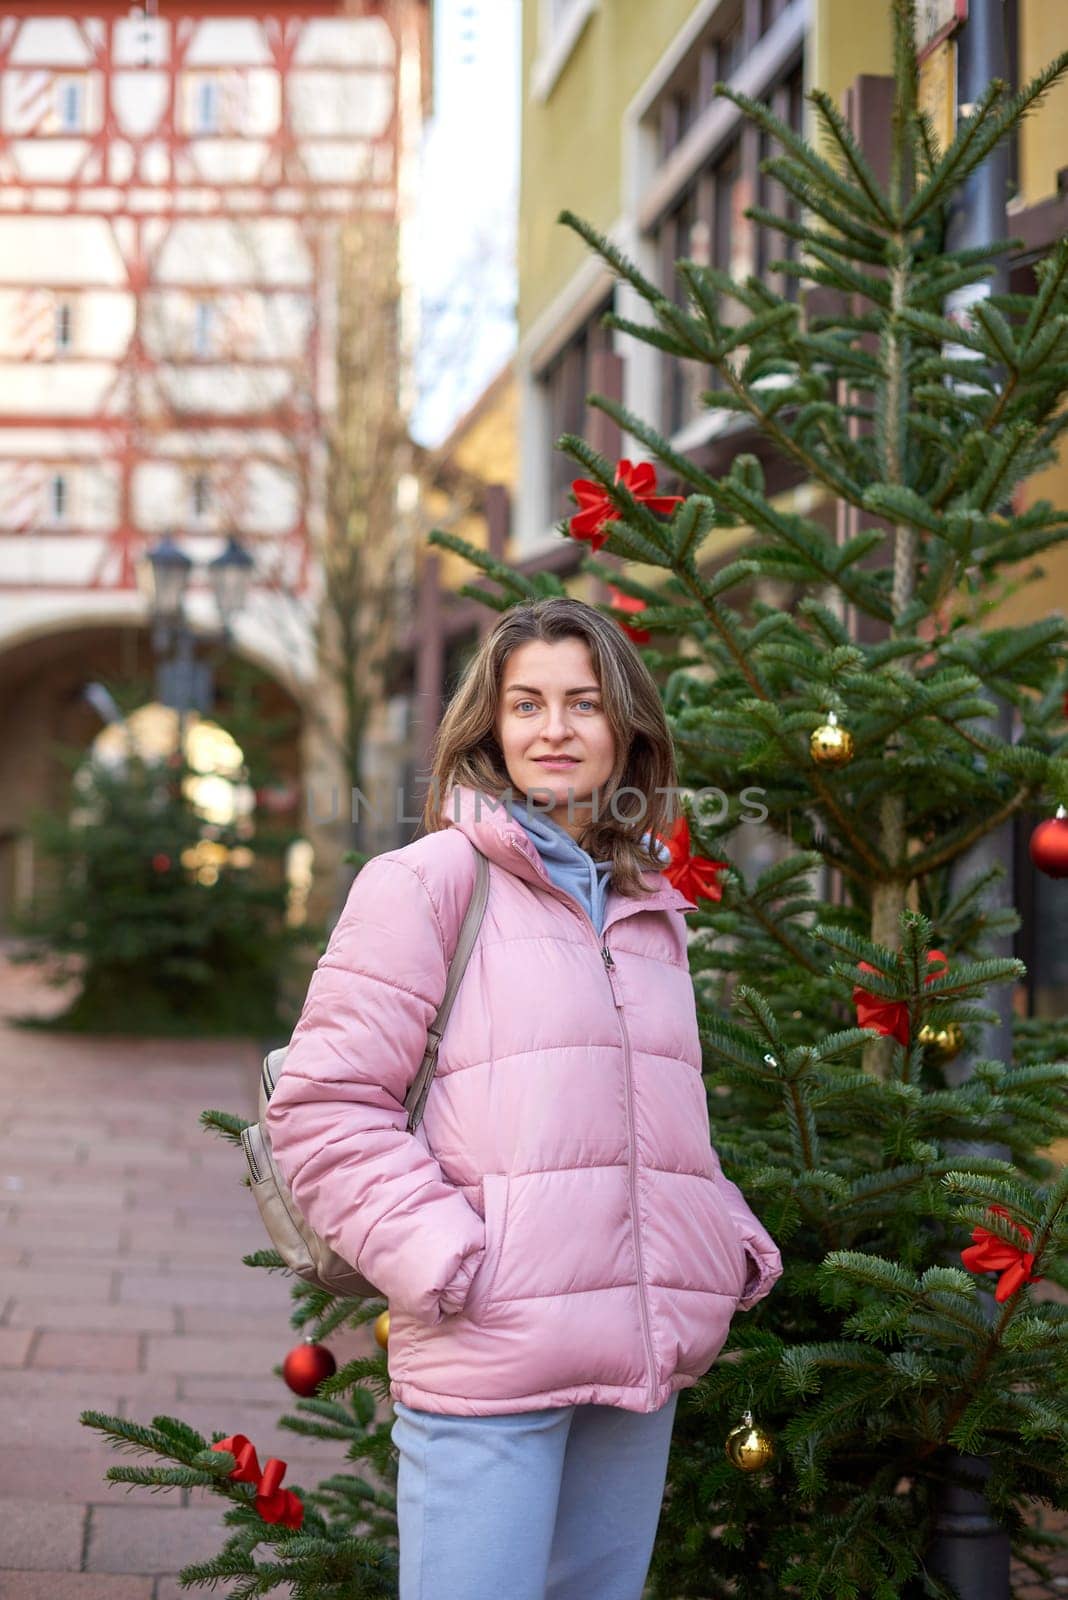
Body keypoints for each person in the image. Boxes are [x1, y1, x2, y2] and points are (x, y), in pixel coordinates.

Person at [265, 596, 783, 1600]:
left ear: (626, 728)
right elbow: (324, 1105)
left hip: (636, 1352)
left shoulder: (649, 909)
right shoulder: (426, 883)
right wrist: (450, 1259)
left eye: (584, 703)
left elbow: (660, 1114)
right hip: (488, 1348)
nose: (555, 728)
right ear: (490, 728)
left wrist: (722, 1235)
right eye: (528, 703)